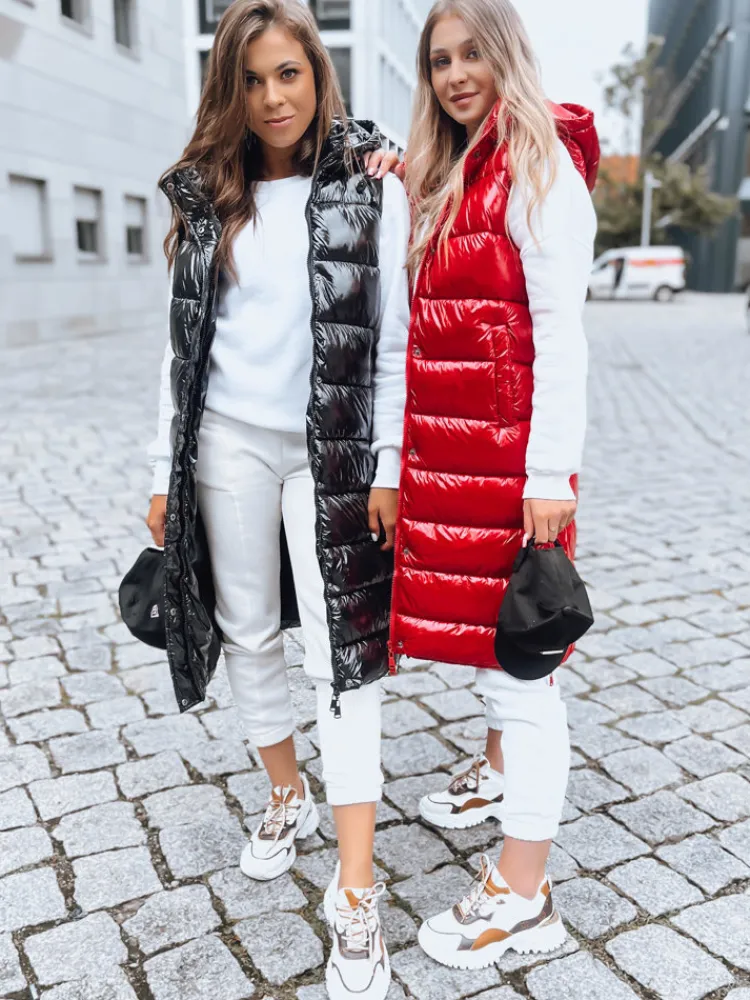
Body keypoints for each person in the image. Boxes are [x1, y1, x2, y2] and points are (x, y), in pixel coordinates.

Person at [146, 3, 409, 998]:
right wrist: (161, 470)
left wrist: (389, 464)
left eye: (288, 73)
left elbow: (391, 340)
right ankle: (285, 793)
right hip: (226, 441)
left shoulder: (369, 185)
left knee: (343, 654)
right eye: (251, 80)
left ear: (317, 72)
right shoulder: (208, 194)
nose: (272, 97)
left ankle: (356, 888)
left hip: (331, 449)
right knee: (248, 631)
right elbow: (177, 347)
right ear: (230, 89)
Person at [372, 0, 599, 970]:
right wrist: (393, 465)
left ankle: (525, 890)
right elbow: (411, 339)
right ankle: (505, 805)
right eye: (439, 61)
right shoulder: (451, 172)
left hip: (510, 476)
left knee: (521, 678)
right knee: (494, 667)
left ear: (506, 54)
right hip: (452, 470)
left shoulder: (539, 168)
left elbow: (562, 339)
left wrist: (548, 475)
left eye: (472, 54)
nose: (456, 75)